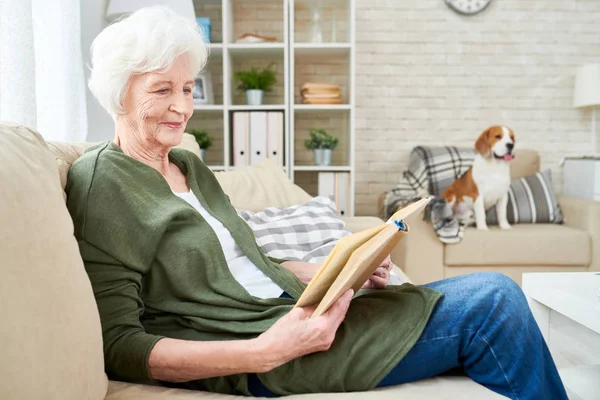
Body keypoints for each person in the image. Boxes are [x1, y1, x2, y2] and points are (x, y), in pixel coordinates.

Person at [66, 6, 568, 399]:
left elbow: (243, 260)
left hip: (294, 308)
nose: (181, 107)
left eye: (186, 87)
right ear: (118, 96)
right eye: (161, 90)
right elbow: (120, 345)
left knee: (486, 308)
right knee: (495, 302)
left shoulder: (188, 164)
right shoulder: (102, 184)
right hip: (261, 341)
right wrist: (261, 353)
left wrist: (339, 264)